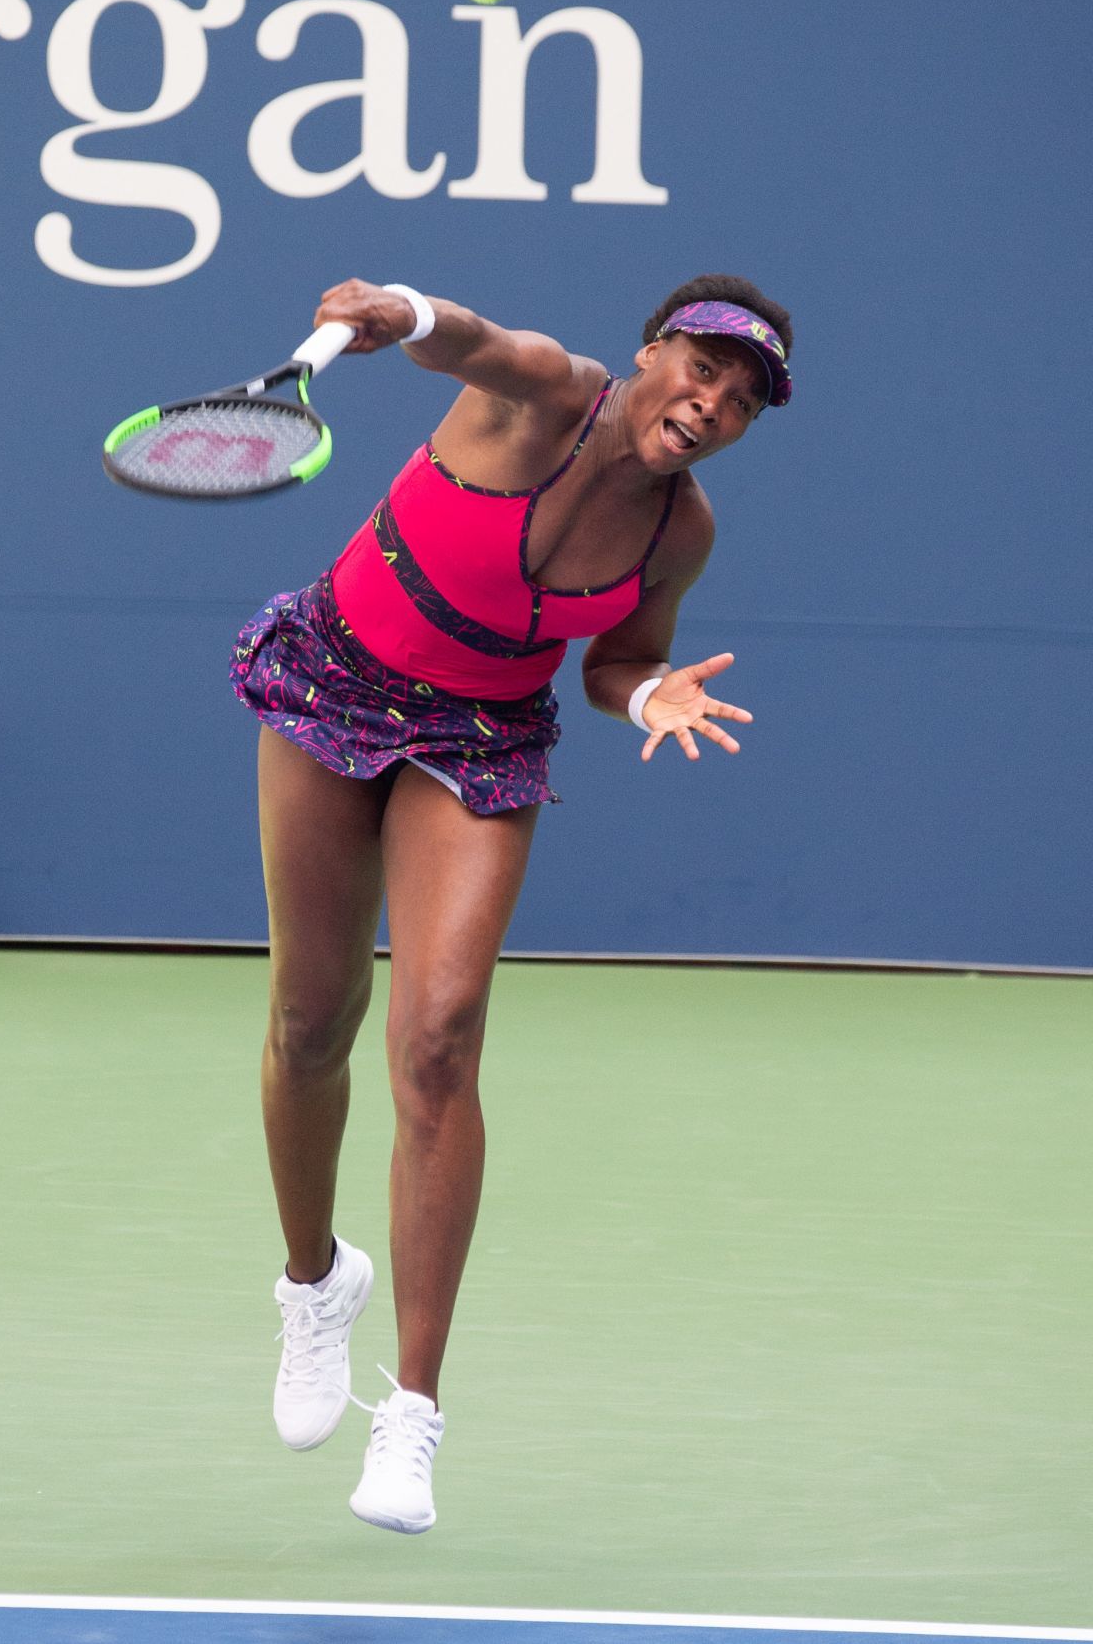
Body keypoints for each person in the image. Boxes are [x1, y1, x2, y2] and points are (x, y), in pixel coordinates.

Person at [229, 272, 794, 1533]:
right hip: (334, 681)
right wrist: (397, 312)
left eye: (743, 401)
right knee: (310, 1022)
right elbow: (468, 338)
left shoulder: (679, 531)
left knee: (438, 1036)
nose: (712, 404)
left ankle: (414, 1411)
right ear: (651, 354)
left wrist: (651, 697)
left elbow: (619, 660)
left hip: (481, 739)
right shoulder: (544, 392)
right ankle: (315, 1282)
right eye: (703, 369)